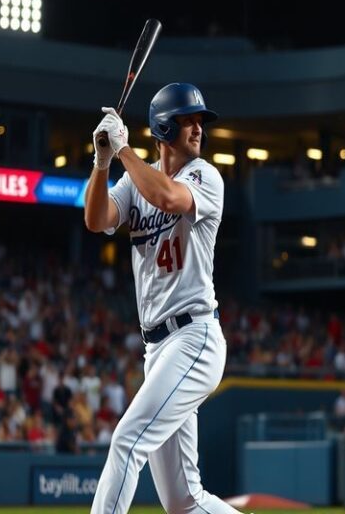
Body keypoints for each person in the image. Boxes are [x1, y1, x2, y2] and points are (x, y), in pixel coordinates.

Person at [84, 82, 240, 514]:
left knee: (126, 441)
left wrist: (124, 152)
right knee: (183, 502)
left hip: (194, 337)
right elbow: (96, 219)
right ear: (164, 127)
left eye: (199, 121)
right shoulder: (135, 183)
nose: (198, 129)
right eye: (189, 120)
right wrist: (102, 163)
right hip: (158, 348)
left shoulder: (204, 175)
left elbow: (168, 197)